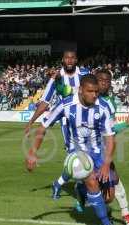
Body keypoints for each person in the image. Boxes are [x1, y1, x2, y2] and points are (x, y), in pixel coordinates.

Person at [26, 75, 116, 225]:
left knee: (109, 198)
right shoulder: (66, 105)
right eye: (90, 91)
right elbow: (43, 127)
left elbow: (110, 139)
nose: (94, 95)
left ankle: (80, 190)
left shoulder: (103, 107)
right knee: (92, 183)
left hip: (98, 152)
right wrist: (33, 153)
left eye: (96, 92)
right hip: (78, 153)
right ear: (81, 90)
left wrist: (105, 164)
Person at [74, 69, 129, 225]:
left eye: (107, 81)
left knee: (111, 185)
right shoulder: (80, 100)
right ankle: (125, 214)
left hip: (103, 149)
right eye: (101, 80)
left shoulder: (109, 103)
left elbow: (111, 129)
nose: (104, 83)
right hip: (86, 149)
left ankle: (83, 191)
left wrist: (126, 124)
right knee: (114, 180)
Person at [24, 50, 85, 200]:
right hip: (67, 121)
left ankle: (59, 184)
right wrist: (31, 121)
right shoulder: (55, 79)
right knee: (75, 156)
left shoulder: (84, 75)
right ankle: (80, 192)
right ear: (63, 60)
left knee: (87, 156)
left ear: (76, 60)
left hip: (85, 119)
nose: (69, 60)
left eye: (72, 58)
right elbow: (45, 103)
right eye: (66, 58)